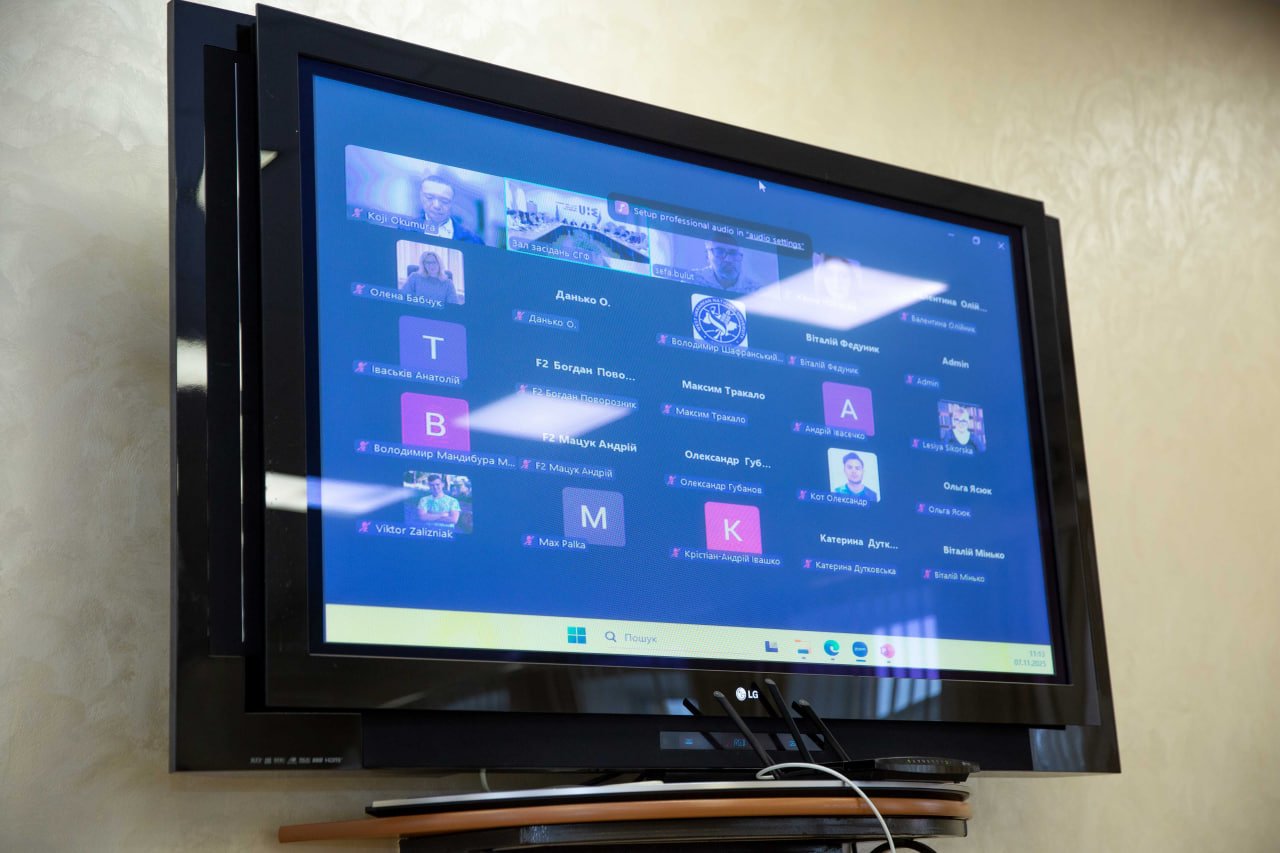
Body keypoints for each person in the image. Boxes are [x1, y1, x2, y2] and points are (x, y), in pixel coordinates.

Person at [417, 173, 484, 244]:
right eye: (429, 197)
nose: (436, 205)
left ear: (453, 202)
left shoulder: (474, 241)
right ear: (421, 196)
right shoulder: (409, 229)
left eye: (444, 201)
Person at [690, 239, 762, 293]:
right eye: (719, 252)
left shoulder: (757, 291)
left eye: (733, 253)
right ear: (707, 256)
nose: (728, 259)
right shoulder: (691, 279)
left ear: (741, 255)